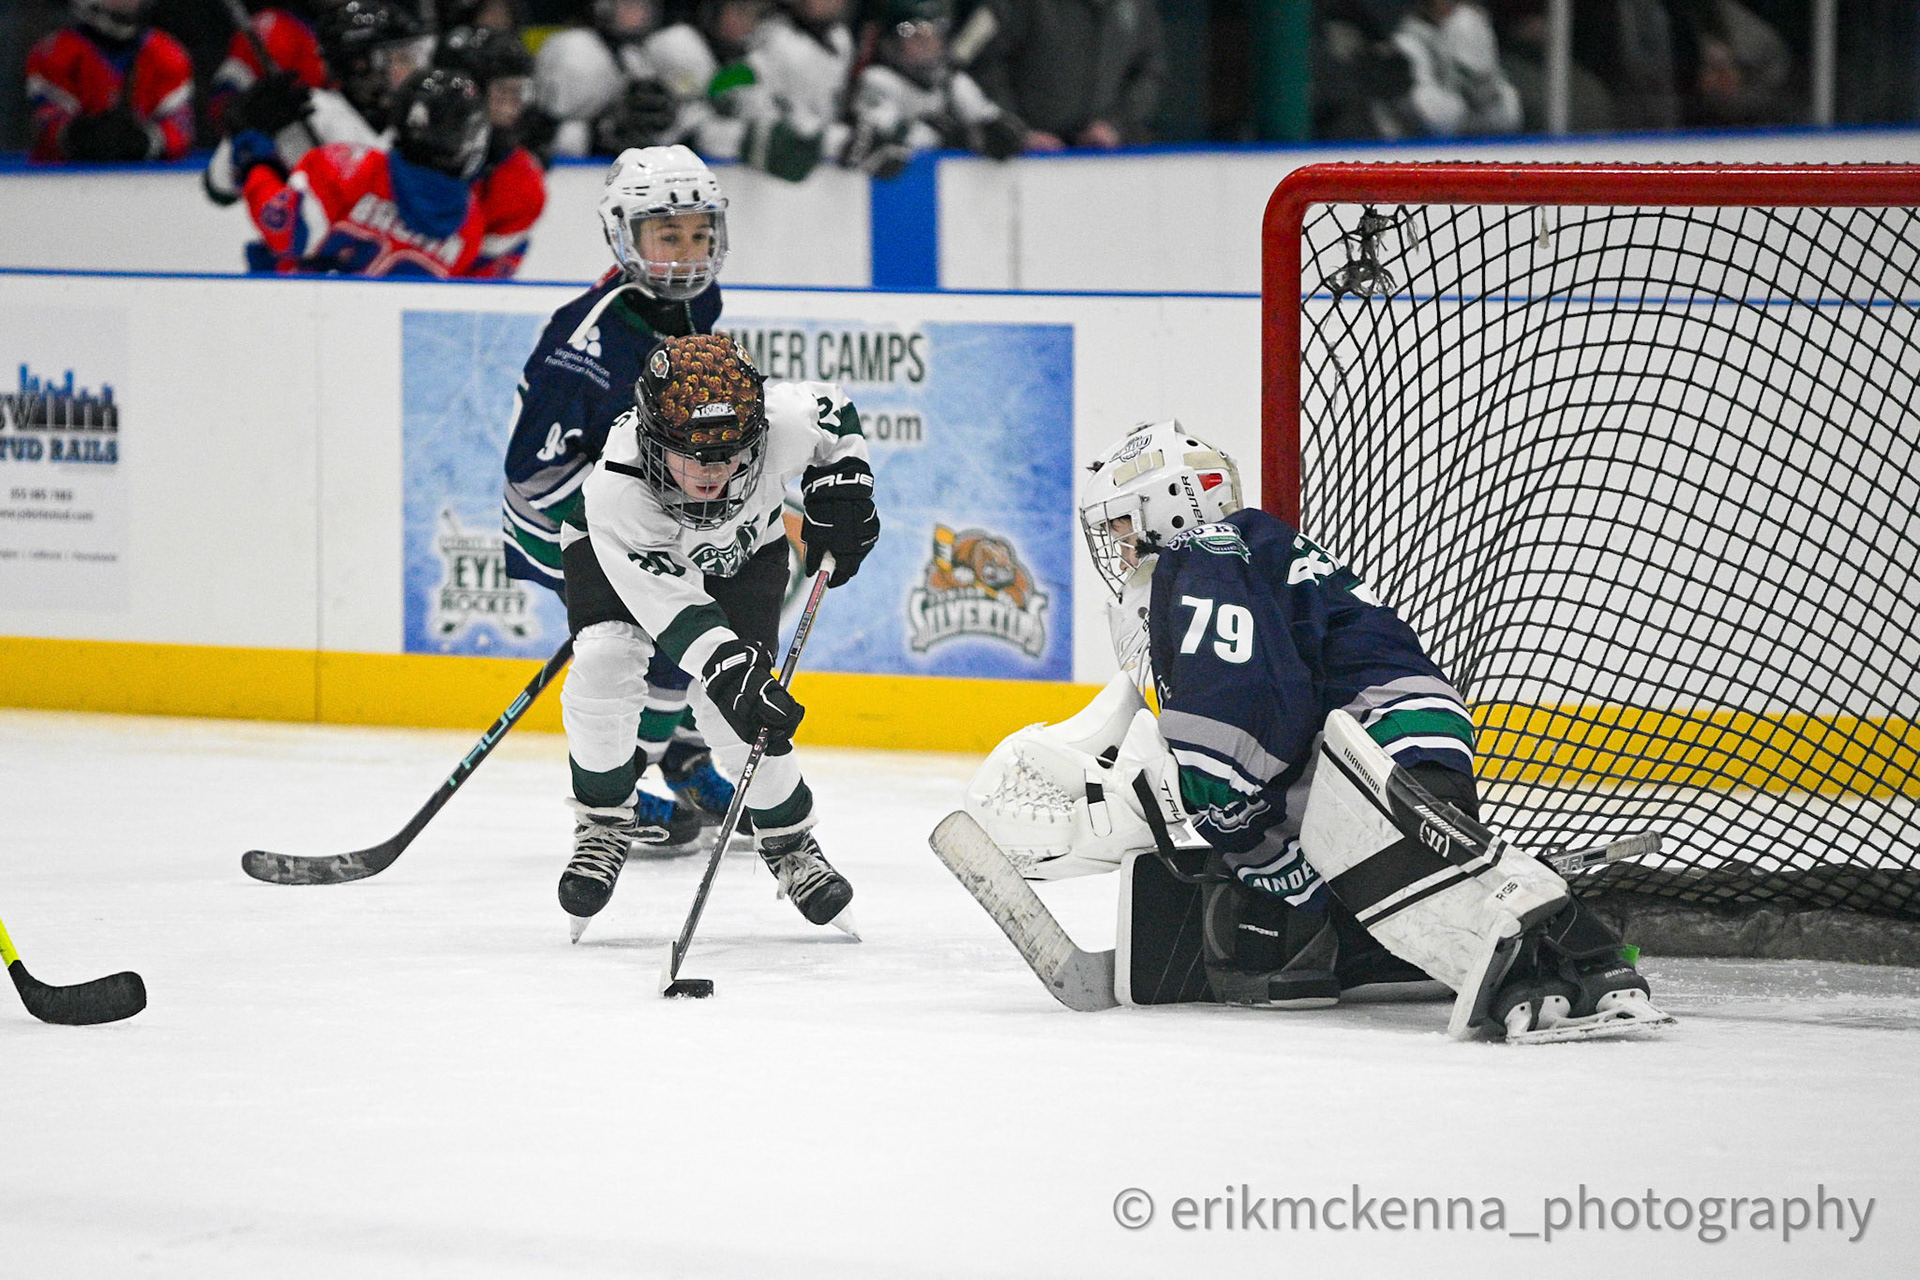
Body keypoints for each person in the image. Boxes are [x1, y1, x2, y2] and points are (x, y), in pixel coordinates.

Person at [965, 420, 1672, 1043]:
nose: (1119, 547)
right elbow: (1275, 708)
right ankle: (1387, 947)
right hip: (1374, 728)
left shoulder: (1206, 554)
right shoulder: (1240, 557)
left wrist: (1199, 799)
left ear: (1172, 503)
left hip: (1376, 727)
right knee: (1325, 900)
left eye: (1123, 524)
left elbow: (1242, 698)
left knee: (1389, 862)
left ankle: (1577, 954)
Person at [554, 332, 878, 936]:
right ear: (653, 440)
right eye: (692, 455)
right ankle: (603, 820)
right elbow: (677, 614)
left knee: (740, 704)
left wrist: (845, 479)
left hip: (742, 553)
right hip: (618, 550)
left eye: (731, 454)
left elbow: (832, 411)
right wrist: (728, 670)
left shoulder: (781, 422)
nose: (713, 473)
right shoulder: (619, 486)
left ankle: (790, 841)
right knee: (605, 660)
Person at [500, 145, 737, 852]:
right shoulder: (584, 339)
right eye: (668, 236)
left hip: (640, 505)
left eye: (699, 234)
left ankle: (684, 757)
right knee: (657, 630)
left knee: (720, 598)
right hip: (558, 518)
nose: (687, 255)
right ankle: (617, 791)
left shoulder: (695, 304)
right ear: (624, 236)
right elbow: (533, 476)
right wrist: (631, 529)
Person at [241, 67, 491, 277]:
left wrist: (259, 166)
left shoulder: (351, 167)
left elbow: (287, 233)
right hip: (386, 323)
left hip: (302, 311)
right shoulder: (469, 224)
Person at [202, 0, 414, 212]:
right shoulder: (309, 112)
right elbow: (220, 186)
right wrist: (244, 128)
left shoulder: (416, 114)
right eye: (399, 58)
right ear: (360, 65)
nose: (413, 68)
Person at [967, 0, 1163, 151]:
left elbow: (1149, 71)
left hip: (1107, 158)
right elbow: (982, 63)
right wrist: (1015, 131)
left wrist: (1115, 126)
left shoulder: (1137, 7)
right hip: (1024, 160)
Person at [848, 0, 1026, 166]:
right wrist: (945, 137)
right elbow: (879, 134)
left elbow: (990, 120)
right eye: (913, 33)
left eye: (934, 31)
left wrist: (997, 133)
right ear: (892, 43)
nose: (927, 42)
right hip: (896, 183)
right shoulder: (878, 80)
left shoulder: (952, 82)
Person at [434, 24, 546, 277]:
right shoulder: (405, 152)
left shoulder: (523, 180)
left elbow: (481, 283)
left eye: (520, 90)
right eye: (504, 90)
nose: (515, 103)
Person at [26, 0, 195, 162]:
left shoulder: (167, 54)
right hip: (65, 178)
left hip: (147, 177)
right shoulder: (54, 54)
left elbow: (179, 132)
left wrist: (144, 140)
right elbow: (47, 132)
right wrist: (81, 136)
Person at [530, 0, 678, 159]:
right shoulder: (575, 46)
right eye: (630, 6)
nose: (640, 15)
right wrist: (605, 126)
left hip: (620, 153)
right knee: (572, 133)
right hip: (571, 156)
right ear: (604, 7)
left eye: (644, 7)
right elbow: (556, 113)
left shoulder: (634, 55)